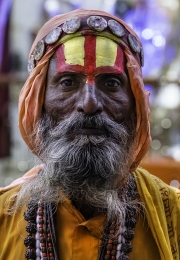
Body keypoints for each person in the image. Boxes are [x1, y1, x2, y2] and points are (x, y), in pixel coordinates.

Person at [0, 8, 180, 260]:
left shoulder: (174, 214)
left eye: (111, 83)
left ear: (136, 104)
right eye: (68, 82)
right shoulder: (3, 220)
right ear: (38, 101)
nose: (89, 103)